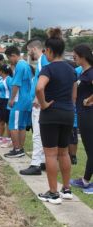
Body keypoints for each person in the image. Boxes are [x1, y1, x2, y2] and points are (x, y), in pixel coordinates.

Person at [36, 28, 76, 204]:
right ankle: (66, 189)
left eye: (45, 51)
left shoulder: (48, 68)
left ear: (50, 51)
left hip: (51, 114)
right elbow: (74, 93)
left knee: (50, 155)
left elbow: (39, 88)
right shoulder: (71, 69)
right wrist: (69, 107)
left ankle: (53, 193)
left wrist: (43, 103)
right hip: (68, 112)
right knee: (64, 153)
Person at [20, 39, 49, 176]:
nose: (28, 53)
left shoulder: (43, 61)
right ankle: (42, 161)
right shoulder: (41, 61)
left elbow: (45, 80)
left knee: (37, 134)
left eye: (28, 50)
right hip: (38, 102)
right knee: (40, 134)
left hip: (39, 103)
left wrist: (38, 97)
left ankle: (35, 164)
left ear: (33, 49)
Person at [70, 44, 93, 194]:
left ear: (83, 56)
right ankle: (85, 180)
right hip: (83, 114)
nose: (74, 58)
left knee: (91, 149)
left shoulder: (91, 72)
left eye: (75, 56)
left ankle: (86, 182)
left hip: (88, 114)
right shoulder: (84, 72)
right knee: (90, 149)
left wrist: (89, 99)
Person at [4, 46, 32, 158]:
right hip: (27, 99)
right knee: (21, 126)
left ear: (13, 55)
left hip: (19, 100)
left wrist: (11, 99)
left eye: (9, 58)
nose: (9, 61)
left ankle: (17, 149)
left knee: (13, 126)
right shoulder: (26, 65)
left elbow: (16, 84)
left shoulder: (19, 65)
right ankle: (20, 148)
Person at [0, 64, 13, 144]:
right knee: (0, 119)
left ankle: (9, 138)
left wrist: (11, 101)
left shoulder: (9, 79)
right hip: (0, 101)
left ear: (2, 71)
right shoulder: (0, 80)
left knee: (7, 121)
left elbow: (12, 91)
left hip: (6, 101)